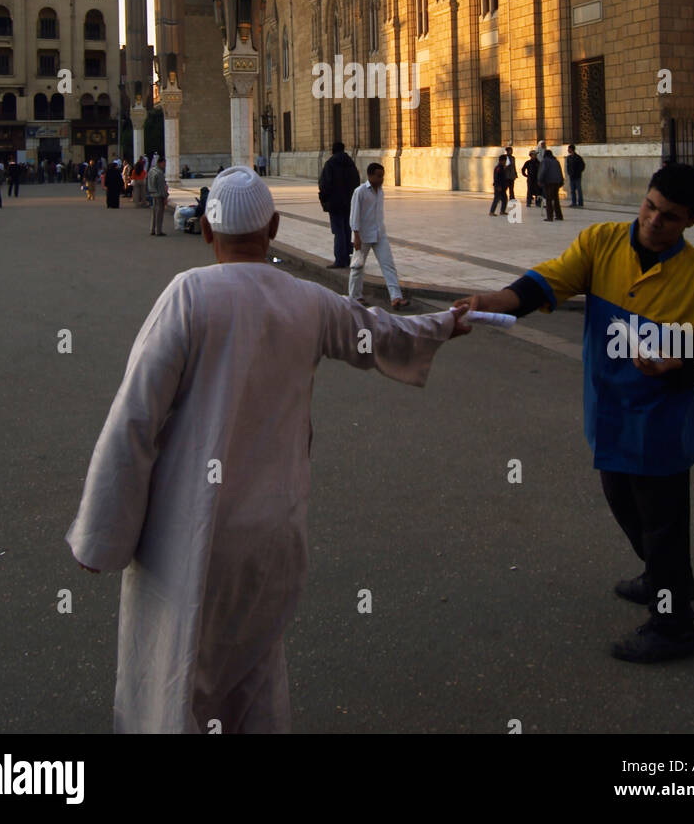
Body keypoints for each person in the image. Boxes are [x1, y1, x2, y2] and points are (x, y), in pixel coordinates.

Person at [66, 166, 469, 733]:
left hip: (192, 530)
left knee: (178, 665)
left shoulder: (188, 297)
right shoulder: (307, 300)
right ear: (274, 227)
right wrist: (445, 324)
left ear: (206, 231)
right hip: (274, 530)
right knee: (254, 664)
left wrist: (101, 535)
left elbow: (135, 419)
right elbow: (377, 332)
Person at [455, 162, 694, 663]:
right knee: (625, 504)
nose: (654, 221)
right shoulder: (601, 243)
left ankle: (674, 627)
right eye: (650, 206)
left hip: (661, 429)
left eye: (670, 217)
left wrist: (679, 363)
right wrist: (486, 302)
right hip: (610, 416)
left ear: (692, 221)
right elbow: (543, 284)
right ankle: (667, 575)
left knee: (662, 523)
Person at [349, 163, 407, 308]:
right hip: (362, 236)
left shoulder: (380, 192)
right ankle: (354, 297)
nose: (381, 179)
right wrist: (356, 236)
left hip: (379, 235)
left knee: (388, 265)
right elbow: (354, 214)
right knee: (357, 268)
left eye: (383, 176)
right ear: (370, 175)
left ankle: (396, 298)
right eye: (378, 176)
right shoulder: (360, 191)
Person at [318, 141, 361, 268]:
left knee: (338, 231)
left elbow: (325, 185)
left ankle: (340, 259)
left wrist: (324, 199)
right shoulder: (350, 163)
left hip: (335, 203)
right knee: (347, 230)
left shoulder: (330, 164)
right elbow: (356, 182)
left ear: (333, 150)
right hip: (348, 202)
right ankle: (348, 257)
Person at [538, 148, 564, 221]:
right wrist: (561, 181)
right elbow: (560, 172)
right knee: (556, 199)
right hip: (557, 183)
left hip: (548, 183)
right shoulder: (556, 161)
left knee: (549, 200)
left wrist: (540, 180)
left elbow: (542, 171)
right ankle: (559, 216)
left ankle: (550, 217)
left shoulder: (545, 161)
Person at [148, 156, 169, 236]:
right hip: (159, 195)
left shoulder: (151, 170)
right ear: (160, 163)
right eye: (164, 163)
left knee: (154, 213)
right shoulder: (159, 173)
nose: (165, 165)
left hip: (153, 193)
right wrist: (165, 197)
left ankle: (152, 229)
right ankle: (158, 230)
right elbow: (161, 187)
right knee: (159, 214)